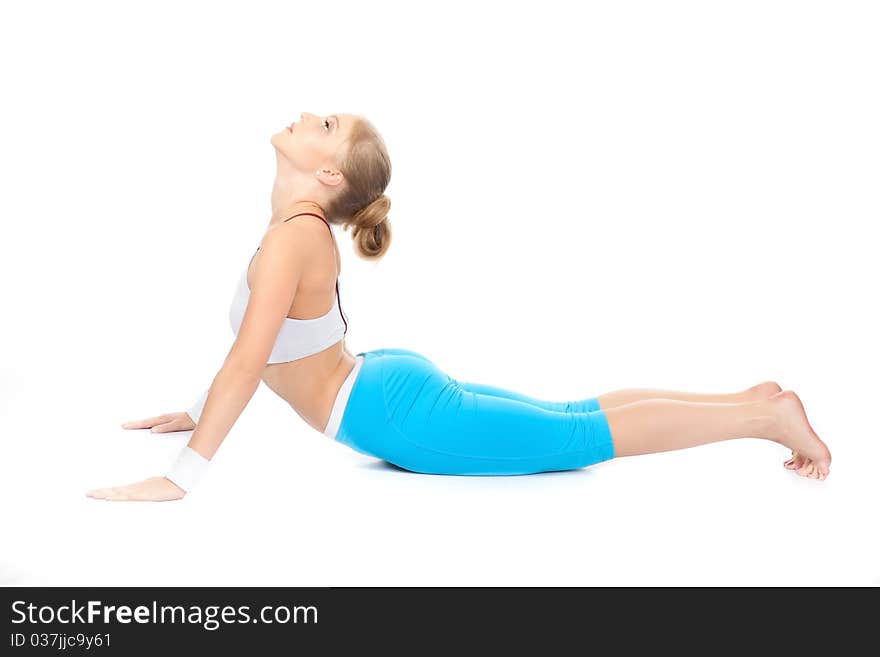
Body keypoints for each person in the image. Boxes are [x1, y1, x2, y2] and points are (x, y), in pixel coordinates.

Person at [86, 112, 831, 502]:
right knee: (571, 417)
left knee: (579, 438)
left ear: (328, 171)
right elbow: (262, 347)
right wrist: (196, 405)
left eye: (324, 125)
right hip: (386, 388)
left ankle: (760, 417)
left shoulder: (291, 240)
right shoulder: (287, 230)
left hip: (397, 412)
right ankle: (751, 400)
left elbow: (253, 359)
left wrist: (183, 475)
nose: (307, 113)